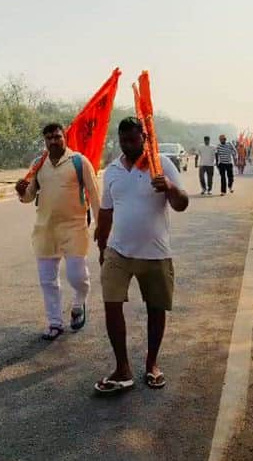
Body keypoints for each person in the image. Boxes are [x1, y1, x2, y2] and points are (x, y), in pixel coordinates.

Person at [93, 117, 189, 394]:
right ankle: (122, 369)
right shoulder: (111, 170)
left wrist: (169, 187)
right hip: (118, 252)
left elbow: (181, 204)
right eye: (123, 140)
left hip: (155, 253)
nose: (128, 145)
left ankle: (152, 364)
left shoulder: (162, 165)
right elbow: (106, 211)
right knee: (112, 304)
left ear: (144, 139)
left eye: (133, 140)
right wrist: (102, 247)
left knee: (155, 308)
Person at [16, 122, 101, 341]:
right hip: (45, 229)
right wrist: (22, 191)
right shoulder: (38, 163)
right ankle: (55, 322)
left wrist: (102, 226)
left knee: (77, 276)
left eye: (57, 137)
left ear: (65, 138)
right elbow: (28, 197)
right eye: (49, 138)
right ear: (45, 141)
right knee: (48, 280)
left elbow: (94, 194)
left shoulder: (78, 162)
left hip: (74, 227)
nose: (53, 141)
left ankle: (79, 302)